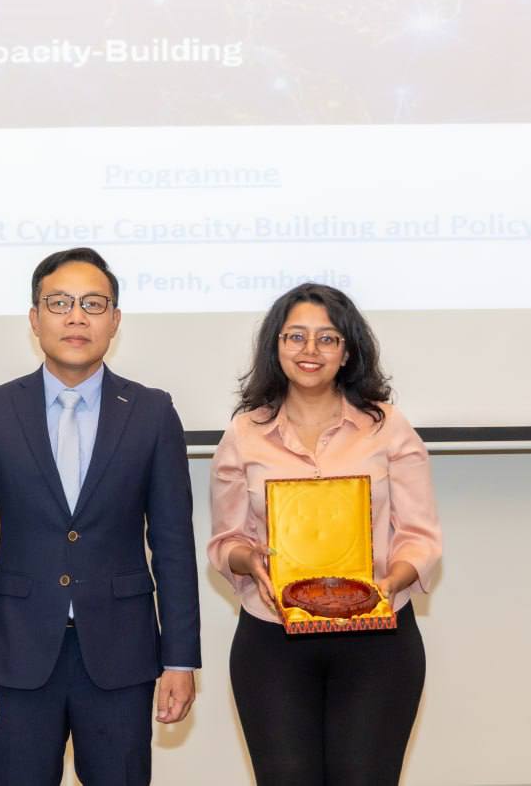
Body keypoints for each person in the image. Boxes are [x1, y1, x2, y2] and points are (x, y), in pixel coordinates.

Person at [0, 247, 202, 785]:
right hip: (16, 654)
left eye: (93, 304)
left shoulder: (152, 412)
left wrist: (180, 660)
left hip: (122, 655)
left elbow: (174, 545)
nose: (76, 317)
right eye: (59, 303)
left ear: (115, 319)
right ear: (35, 318)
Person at [208, 282, 442, 786]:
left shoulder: (389, 427)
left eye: (327, 338)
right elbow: (226, 541)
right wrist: (250, 561)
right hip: (272, 638)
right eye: (295, 336)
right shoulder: (243, 433)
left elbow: (420, 535)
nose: (309, 350)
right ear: (275, 346)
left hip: (378, 641)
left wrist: (392, 581)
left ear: (347, 351)